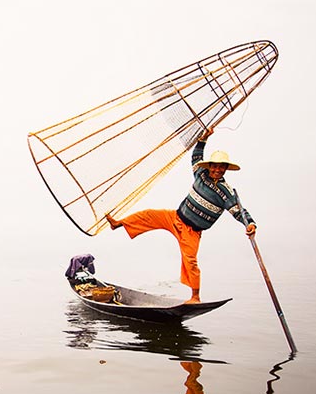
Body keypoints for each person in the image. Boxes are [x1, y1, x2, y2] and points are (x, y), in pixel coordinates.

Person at [105, 128, 256, 303]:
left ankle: (195, 296)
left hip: (192, 231)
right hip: (175, 217)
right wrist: (203, 139)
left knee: (190, 260)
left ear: (225, 169)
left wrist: (250, 224)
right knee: (148, 215)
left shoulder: (226, 192)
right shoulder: (201, 174)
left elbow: (239, 211)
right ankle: (118, 224)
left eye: (220, 167)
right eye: (214, 166)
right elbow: (196, 157)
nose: (216, 169)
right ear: (210, 166)